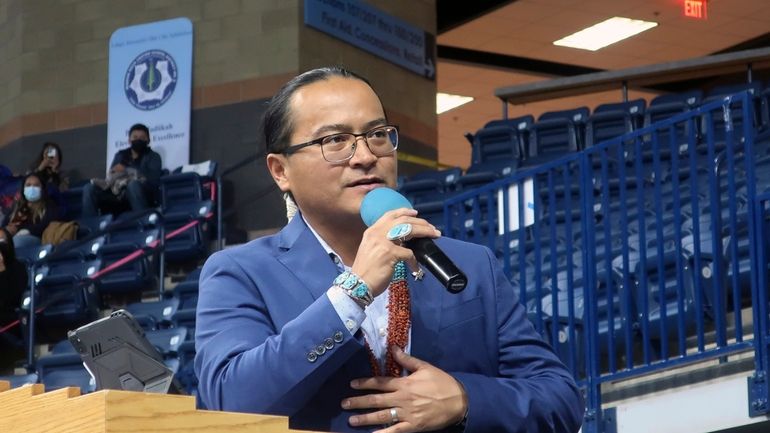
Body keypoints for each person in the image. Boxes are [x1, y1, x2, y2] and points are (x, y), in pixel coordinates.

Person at [194, 67, 584, 433]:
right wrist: (353, 290)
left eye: (377, 134)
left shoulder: (469, 264)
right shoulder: (240, 272)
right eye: (335, 141)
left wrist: (465, 398)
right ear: (281, 170)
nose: (365, 156)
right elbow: (231, 400)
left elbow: (560, 399)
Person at [81, 123, 162, 217]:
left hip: (142, 193)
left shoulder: (154, 156)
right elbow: (111, 177)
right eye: (135, 137)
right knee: (89, 188)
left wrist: (127, 170)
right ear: (129, 140)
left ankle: (142, 221)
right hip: (117, 192)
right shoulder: (120, 155)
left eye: (142, 138)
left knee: (133, 185)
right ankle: (91, 227)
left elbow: (153, 179)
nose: (138, 140)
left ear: (148, 140)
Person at [2, 173, 58, 248]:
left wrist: (25, 231)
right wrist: (6, 230)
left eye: (36, 185)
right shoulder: (17, 205)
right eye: (28, 185)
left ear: (42, 189)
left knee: (16, 242)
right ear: (23, 189)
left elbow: (45, 224)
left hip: (34, 237)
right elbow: (5, 223)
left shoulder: (48, 205)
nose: (32, 188)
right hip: (10, 236)